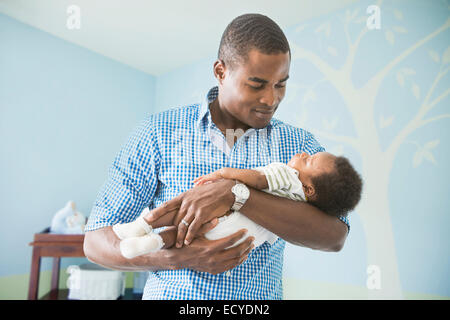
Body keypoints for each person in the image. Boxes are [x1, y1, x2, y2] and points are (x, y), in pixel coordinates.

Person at [84, 13, 351, 300]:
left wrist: (238, 194)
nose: (271, 99)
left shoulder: (300, 147)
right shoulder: (156, 133)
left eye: (281, 84)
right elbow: (96, 243)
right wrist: (179, 258)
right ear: (221, 72)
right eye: (257, 84)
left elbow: (334, 236)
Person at [112, 152, 362, 260]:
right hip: (239, 237)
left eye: (308, 160)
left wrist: (226, 179)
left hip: (230, 217)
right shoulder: (304, 204)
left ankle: (142, 225)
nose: (303, 154)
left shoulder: (288, 176)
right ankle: (152, 242)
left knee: (182, 212)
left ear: (309, 189)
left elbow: (258, 178)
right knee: (191, 230)